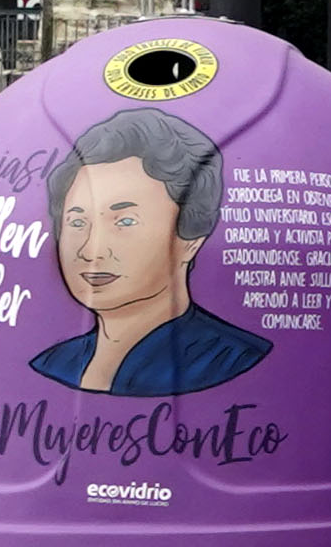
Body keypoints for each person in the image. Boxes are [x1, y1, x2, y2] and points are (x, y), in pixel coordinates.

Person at [28, 109, 273, 397]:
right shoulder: (53, 364)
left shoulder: (231, 361)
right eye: (77, 222)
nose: (90, 251)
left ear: (191, 239)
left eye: (125, 222)